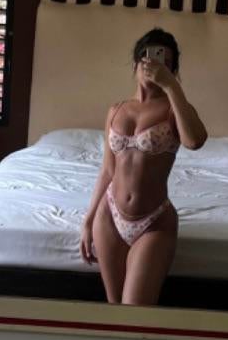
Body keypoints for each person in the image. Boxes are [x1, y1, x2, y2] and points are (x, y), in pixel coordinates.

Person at [79, 28, 208, 305]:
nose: (154, 66)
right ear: (136, 62)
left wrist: (172, 87)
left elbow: (195, 141)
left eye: (165, 63)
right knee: (114, 309)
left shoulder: (175, 110)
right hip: (109, 215)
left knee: (135, 312)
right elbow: (108, 170)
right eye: (148, 58)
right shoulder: (116, 110)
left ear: (173, 70)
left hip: (154, 221)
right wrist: (88, 220)